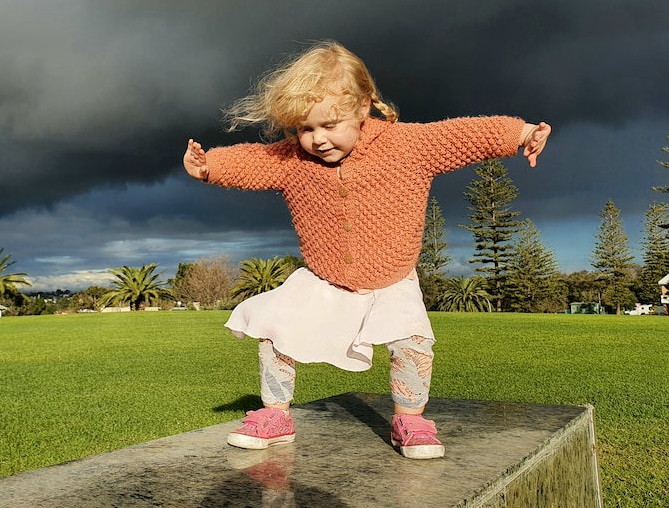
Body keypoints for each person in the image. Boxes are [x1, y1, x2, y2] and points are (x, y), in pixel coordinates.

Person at [182, 40, 550, 460]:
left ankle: (410, 420)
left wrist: (521, 133)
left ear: (363, 108)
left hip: (392, 279)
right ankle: (275, 416)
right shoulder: (291, 161)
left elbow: (466, 134)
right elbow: (253, 160)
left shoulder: (408, 146)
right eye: (305, 129)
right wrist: (209, 166)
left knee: (411, 342)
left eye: (330, 124)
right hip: (324, 280)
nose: (318, 139)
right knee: (273, 329)